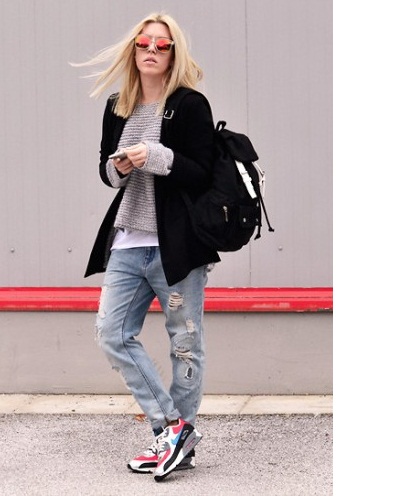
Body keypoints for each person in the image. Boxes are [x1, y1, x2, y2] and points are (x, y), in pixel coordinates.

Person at [76, 12, 220, 482]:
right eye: (144, 43)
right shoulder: (118, 105)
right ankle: (172, 430)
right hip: (127, 240)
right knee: (112, 334)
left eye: (162, 44)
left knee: (185, 344)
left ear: (174, 54)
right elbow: (105, 171)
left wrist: (155, 156)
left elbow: (202, 172)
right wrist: (118, 167)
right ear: (133, 50)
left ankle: (179, 445)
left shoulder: (189, 105)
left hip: (177, 245)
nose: (152, 50)